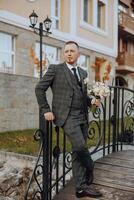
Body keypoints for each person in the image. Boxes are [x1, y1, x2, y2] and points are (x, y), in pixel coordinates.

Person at [35, 41, 102, 198]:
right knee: (79, 146)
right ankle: (90, 166)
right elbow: (39, 89)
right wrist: (46, 110)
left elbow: (82, 95)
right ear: (63, 54)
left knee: (78, 153)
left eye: (72, 51)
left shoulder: (83, 73)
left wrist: (92, 101)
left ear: (78, 54)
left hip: (83, 116)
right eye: (66, 51)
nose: (69, 53)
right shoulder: (55, 69)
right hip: (66, 116)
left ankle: (80, 188)